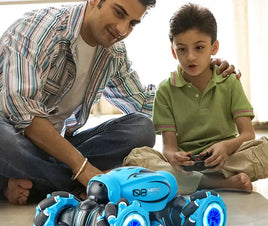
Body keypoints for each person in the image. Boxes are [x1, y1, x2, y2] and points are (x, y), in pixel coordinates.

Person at [0, 0, 236, 205]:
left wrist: (201, 77)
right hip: (12, 137)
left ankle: (34, 181)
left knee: (141, 128)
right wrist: (83, 169)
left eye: (133, 23)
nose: (122, 29)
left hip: (50, 149)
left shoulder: (112, 52)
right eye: (119, 13)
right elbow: (23, 113)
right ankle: (85, 183)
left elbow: (144, 104)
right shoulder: (39, 31)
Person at [124, 3, 268, 194]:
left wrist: (225, 147)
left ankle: (191, 182)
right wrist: (175, 157)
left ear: (214, 47)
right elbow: (169, 147)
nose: (191, 57)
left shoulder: (230, 81)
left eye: (199, 47)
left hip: (228, 158)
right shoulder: (166, 90)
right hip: (189, 165)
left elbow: (248, 134)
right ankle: (215, 182)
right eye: (182, 49)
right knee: (136, 158)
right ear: (174, 51)